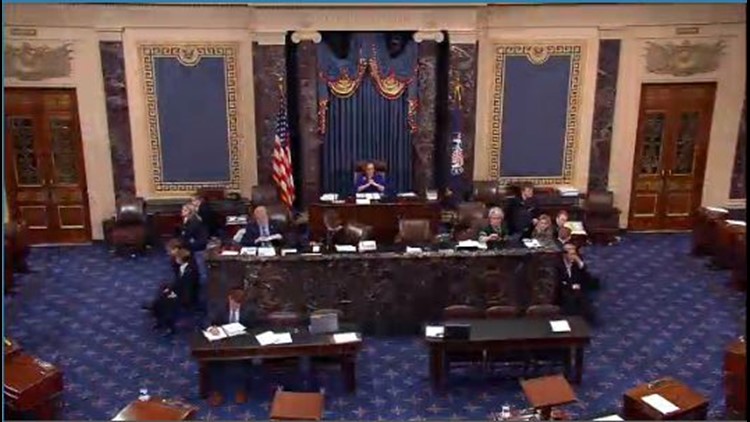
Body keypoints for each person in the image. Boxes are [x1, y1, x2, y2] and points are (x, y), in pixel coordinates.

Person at [204, 287, 257, 406]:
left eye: (239, 305)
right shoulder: (220, 306)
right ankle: (216, 391)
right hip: (222, 342)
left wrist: (246, 332)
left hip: (242, 342)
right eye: (234, 304)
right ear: (230, 299)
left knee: (245, 362)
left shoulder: (249, 309)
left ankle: (241, 390)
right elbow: (207, 320)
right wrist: (211, 328)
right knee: (214, 362)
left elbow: (254, 327)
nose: (236, 307)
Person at [147, 247, 200, 336]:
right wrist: (170, 289)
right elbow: (178, 282)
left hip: (186, 296)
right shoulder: (182, 267)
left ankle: (169, 327)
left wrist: (174, 294)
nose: (175, 260)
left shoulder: (190, 272)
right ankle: (159, 319)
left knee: (167, 302)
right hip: (179, 290)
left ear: (181, 259)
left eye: (176, 258)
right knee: (162, 292)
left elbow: (188, 290)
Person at [556, 242, 596, 324]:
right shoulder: (557, 264)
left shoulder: (576, 261)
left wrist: (579, 263)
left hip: (577, 288)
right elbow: (557, 280)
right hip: (562, 288)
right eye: (571, 254)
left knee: (582, 298)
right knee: (570, 299)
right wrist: (571, 286)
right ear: (564, 254)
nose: (573, 256)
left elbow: (586, 276)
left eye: (575, 253)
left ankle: (585, 320)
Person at [179, 203, 209, 281]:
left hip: (197, 247)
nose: (182, 211)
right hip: (194, 247)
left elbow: (187, 234)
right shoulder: (190, 220)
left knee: (201, 268)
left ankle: (203, 287)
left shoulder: (194, 222)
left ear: (190, 212)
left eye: (185, 210)